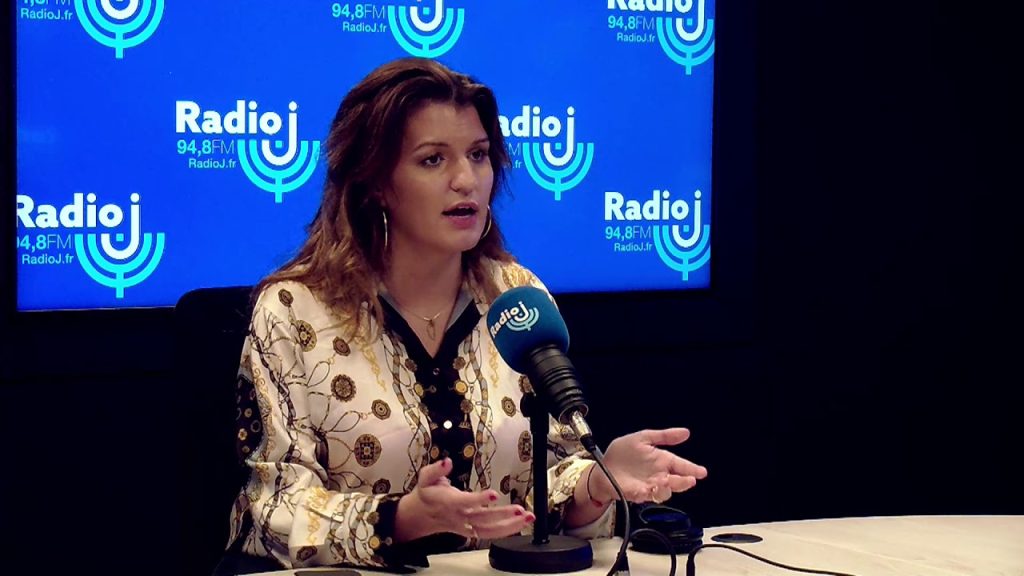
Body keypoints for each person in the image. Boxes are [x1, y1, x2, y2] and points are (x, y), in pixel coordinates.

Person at [221, 57, 708, 573]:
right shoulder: (294, 310)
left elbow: (548, 484)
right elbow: (275, 506)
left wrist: (596, 481)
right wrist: (401, 519)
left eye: (478, 155)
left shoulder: (516, 295)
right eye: (433, 160)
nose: (466, 180)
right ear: (375, 181)